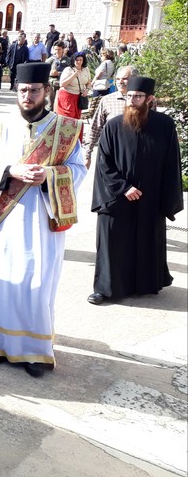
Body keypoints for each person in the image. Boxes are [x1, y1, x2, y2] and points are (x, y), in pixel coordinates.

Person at [0, 63, 87, 378]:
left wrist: (49, 174)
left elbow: (79, 169)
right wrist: (10, 171)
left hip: (42, 222)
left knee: (36, 283)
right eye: (22, 90)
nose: (27, 95)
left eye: (34, 90)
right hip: (6, 223)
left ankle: (34, 352)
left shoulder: (63, 130)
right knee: (0, 279)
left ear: (45, 92)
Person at [88, 76, 183, 305]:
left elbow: (172, 163)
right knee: (112, 239)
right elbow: (104, 164)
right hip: (116, 196)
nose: (132, 101)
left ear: (150, 99)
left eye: (138, 97)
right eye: (129, 96)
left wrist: (167, 199)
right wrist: (123, 188)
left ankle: (145, 284)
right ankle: (106, 289)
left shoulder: (164, 125)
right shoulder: (113, 126)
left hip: (150, 197)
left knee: (147, 239)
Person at [83, 65, 136, 170]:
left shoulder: (144, 101)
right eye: (117, 79)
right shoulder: (107, 100)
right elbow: (95, 128)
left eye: (125, 79)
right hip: (112, 153)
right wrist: (87, 155)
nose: (120, 82)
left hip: (136, 153)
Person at [55, 52, 91, 136]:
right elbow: (62, 84)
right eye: (77, 60)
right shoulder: (68, 69)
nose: (78, 62)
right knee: (67, 119)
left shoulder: (86, 69)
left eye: (80, 60)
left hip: (79, 97)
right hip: (67, 97)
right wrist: (73, 76)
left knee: (76, 118)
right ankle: (63, 136)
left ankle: (74, 137)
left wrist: (87, 90)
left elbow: (89, 82)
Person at [47, 41, 70, 110]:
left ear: (63, 49)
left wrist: (59, 73)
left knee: (62, 103)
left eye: (59, 49)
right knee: (50, 103)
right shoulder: (51, 59)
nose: (57, 51)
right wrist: (50, 73)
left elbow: (70, 72)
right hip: (52, 83)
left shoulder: (68, 60)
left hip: (63, 83)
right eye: (56, 49)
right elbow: (44, 70)